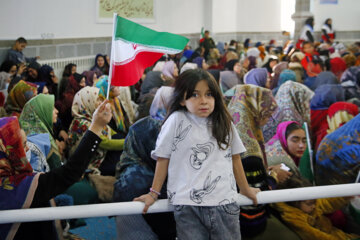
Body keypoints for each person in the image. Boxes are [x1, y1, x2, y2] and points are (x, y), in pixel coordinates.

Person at [134, 69, 259, 239]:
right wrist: (153, 193)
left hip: (224, 202)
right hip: (187, 204)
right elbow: (163, 158)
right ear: (183, 100)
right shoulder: (176, 120)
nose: (203, 101)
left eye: (209, 94)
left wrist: (244, 188)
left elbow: (235, 157)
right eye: (195, 95)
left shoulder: (222, 120)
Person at [0, 100, 112, 240]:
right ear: (8, 152)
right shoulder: (16, 187)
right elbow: (69, 173)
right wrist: (96, 127)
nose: (28, 148)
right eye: (22, 145)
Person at [273, 175, 359, 240]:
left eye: (314, 202)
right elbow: (313, 235)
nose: (314, 206)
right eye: (309, 204)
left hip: (334, 233)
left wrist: (344, 197)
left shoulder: (308, 204)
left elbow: (326, 203)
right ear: (295, 203)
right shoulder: (292, 217)